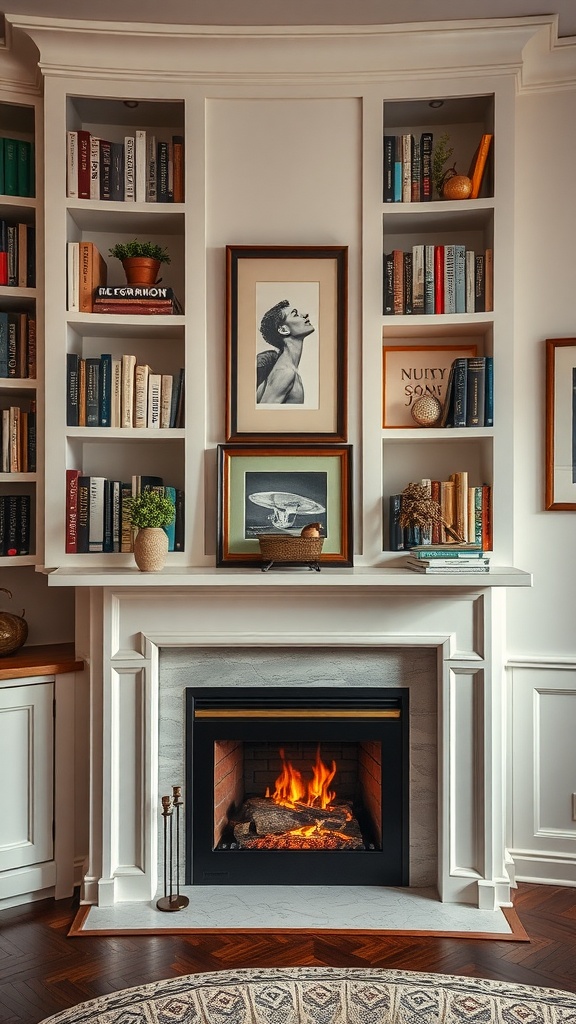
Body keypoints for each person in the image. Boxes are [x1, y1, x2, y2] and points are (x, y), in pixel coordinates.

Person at [256, 299, 315, 404]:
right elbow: (264, 414)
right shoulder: (285, 373)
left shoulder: (287, 370)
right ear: (283, 329)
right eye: (295, 314)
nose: (305, 315)